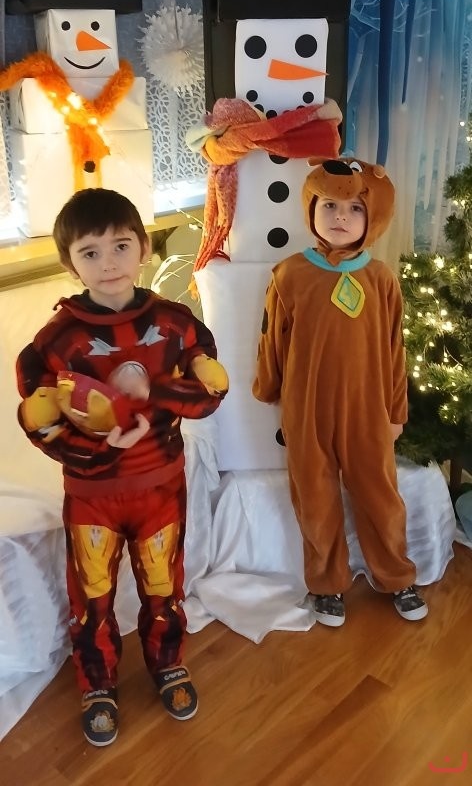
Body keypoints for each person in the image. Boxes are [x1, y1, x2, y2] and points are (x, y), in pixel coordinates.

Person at [16, 187, 228, 747]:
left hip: (160, 488)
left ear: (144, 249)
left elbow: (212, 393)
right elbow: (39, 422)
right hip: (93, 496)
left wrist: (153, 392)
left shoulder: (177, 324)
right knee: (92, 595)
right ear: (70, 264)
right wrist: (99, 446)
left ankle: (167, 662)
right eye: (90, 252)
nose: (108, 262)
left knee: (164, 585)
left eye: (120, 245)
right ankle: (98, 682)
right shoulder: (56, 341)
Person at [252, 157, 428, 629]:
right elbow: (272, 338)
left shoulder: (381, 278)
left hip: (367, 409)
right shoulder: (289, 274)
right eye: (329, 205)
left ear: (373, 217)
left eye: (354, 208)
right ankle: (326, 583)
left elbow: (394, 348)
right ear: (311, 208)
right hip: (307, 408)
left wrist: (395, 411)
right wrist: (269, 387)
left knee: (379, 494)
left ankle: (396, 575)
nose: (340, 217)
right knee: (314, 496)